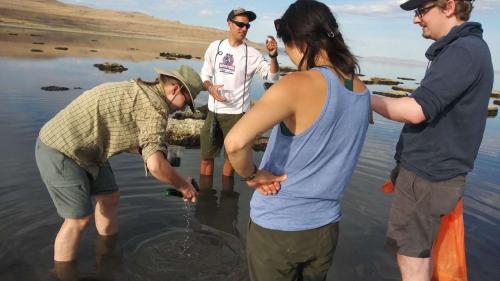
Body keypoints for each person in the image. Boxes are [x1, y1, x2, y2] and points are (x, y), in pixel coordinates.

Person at [224, 1, 370, 280]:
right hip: (326, 229)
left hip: (278, 227)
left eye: (287, 45)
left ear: (301, 42)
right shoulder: (362, 91)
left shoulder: (297, 84)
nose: (290, 55)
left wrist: (252, 174)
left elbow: (235, 142)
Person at [370, 0, 494, 280]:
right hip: (430, 174)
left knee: (410, 252)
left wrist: (363, 100)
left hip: (428, 176)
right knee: (419, 249)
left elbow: (416, 111)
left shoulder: (463, 51)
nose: (416, 19)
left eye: (421, 11)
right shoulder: (462, 49)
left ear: (449, 6)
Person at [35, 65, 203, 262]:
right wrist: (184, 187)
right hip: (60, 148)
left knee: (110, 197)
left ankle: (107, 254)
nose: (183, 108)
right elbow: (155, 166)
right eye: (186, 101)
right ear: (175, 89)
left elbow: (129, 132)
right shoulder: (154, 107)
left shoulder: (143, 91)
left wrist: (169, 168)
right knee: (78, 219)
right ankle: (61, 274)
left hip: (91, 150)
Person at [199, 7, 280, 177]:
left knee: (232, 161)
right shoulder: (215, 47)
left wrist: (273, 56)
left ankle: (227, 198)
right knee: (206, 157)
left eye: (247, 26)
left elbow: (272, 77)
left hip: (237, 115)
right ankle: (205, 199)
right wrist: (210, 88)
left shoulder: (252, 54)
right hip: (213, 113)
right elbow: (205, 74)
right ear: (229, 24)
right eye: (240, 24)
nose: (244, 29)